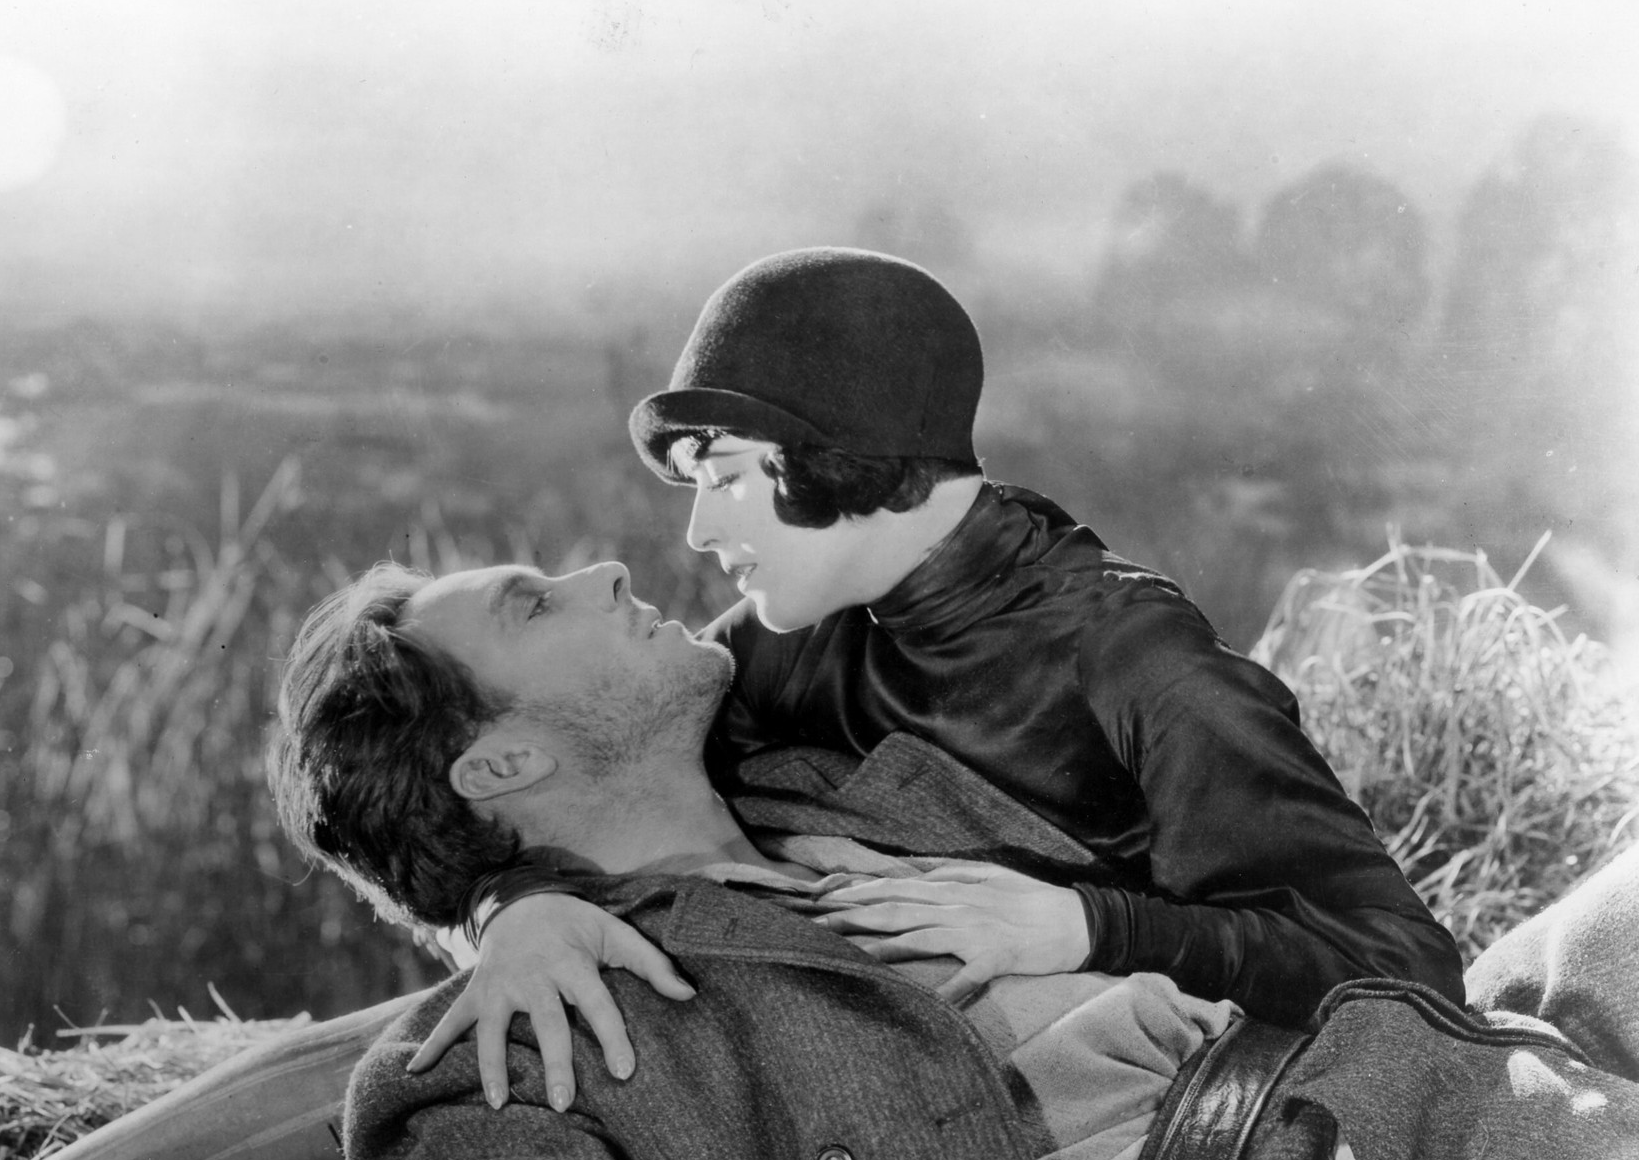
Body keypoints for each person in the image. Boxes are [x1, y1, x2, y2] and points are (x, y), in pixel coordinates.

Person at [280, 557, 1634, 1160]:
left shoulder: (824, 773)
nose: (603, 570)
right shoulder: (521, 1035)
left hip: (1405, 1044)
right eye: (532, 604)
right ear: (497, 767)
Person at [418, 247, 1465, 1111]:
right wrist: (516, 911)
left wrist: (1087, 926)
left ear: (833, 456)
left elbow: (1404, 964)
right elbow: (594, 765)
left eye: (724, 477)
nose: (695, 530)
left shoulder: (1135, 658)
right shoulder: (793, 633)